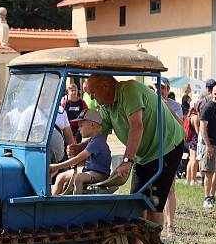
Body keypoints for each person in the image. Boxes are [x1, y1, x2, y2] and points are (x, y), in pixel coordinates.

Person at [75, 74, 185, 225]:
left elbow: (137, 126)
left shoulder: (129, 91)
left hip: (166, 148)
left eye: (93, 92)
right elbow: (101, 134)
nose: (92, 97)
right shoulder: (107, 106)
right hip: (143, 154)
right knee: (136, 204)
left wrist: (127, 161)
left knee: (154, 205)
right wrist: (81, 147)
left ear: (106, 86)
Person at [50, 109, 111, 195]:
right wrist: (73, 154)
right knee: (61, 176)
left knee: (78, 178)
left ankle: (76, 202)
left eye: (81, 126)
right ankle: (52, 201)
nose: (78, 129)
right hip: (89, 172)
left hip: (100, 174)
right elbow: (81, 157)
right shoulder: (92, 140)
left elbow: (78, 158)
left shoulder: (97, 142)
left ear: (92, 125)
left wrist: (56, 167)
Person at [157, 78, 184, 235]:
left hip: (170, 150)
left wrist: (166, 106)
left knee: (169, 189)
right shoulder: (149, 103)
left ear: (168, 89)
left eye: (163, 88)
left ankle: (170, 225)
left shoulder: (176, 106)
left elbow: (180, 123)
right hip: (153, 151)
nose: (160, 91)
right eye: (158, 88)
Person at [185, 102, 200, 185]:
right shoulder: (196, 117)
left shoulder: (189, 116)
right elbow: (198, 131)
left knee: (191, 160)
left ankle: (188, 179)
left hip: (191, 140)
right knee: (195, 160)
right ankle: (193, 180)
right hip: (195, 140)